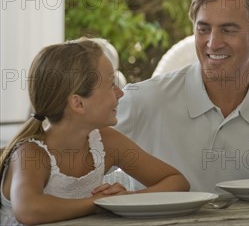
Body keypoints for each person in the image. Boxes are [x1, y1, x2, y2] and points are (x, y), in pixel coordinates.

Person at [116, 0, 249, 192]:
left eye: (227, 30)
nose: (213, 43)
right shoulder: (141, 101)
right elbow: (79, 169)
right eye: (204, 29)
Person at [0, 38, 189, 226]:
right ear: (78, 103)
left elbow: (177, 182)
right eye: (110, 85)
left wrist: (124, 200)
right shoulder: (31, 153)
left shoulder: (107, 142)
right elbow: (29, 210)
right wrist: (99, 203)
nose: (120, 93)